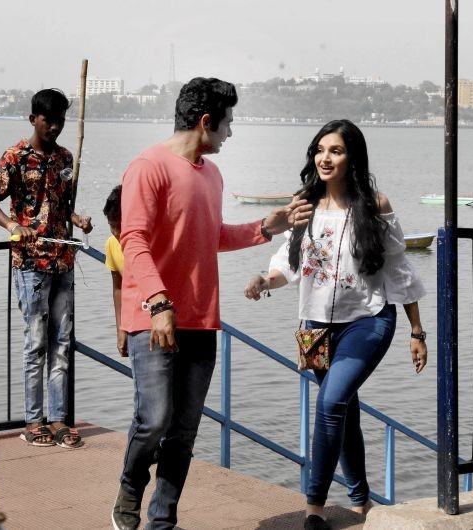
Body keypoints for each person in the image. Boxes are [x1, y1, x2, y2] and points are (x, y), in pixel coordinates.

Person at [111, 77, 314, 530]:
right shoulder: (148, 166)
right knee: (154, 418)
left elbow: (212, 236)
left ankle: (162, 520)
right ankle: (129, 485)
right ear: (206, 122)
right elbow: (134, 240)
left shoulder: (212, 175)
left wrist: (266, 226)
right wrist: (159, 301)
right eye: (228, 123)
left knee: (183, 431)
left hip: (201, 317)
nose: (230, 133)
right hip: (153, 314)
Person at [243, 119, 428, 530]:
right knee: (344, 410)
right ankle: (361, 501)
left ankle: (314, 510)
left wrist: (416, 332)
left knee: (330, 405)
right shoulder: (303, 204)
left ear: (352, 158)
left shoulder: (374, 204)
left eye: (336, 151)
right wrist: (263, 281)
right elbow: (288, 264)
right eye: (320, 150)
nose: (325, 158)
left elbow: (399, 270)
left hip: (369, 320)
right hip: (316, 328)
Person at [0, 88, 92, 449]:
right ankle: (33, 421)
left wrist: (80, 219)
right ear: (33, 119)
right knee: (36, 344)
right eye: (48, 120)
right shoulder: (14, 156)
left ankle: (58, 419)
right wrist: (13, 226)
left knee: (62, 343)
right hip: (30, 263)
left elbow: (62, 208)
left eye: (60, 120)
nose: (56, 127)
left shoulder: (65, 157)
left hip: (63, 260)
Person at [103, 184, 127, 357]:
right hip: (133, 322)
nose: (117, 233)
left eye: (120, 225)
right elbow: (118, 288)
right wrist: (121, 329)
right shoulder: (112, 244)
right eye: (112, 226)